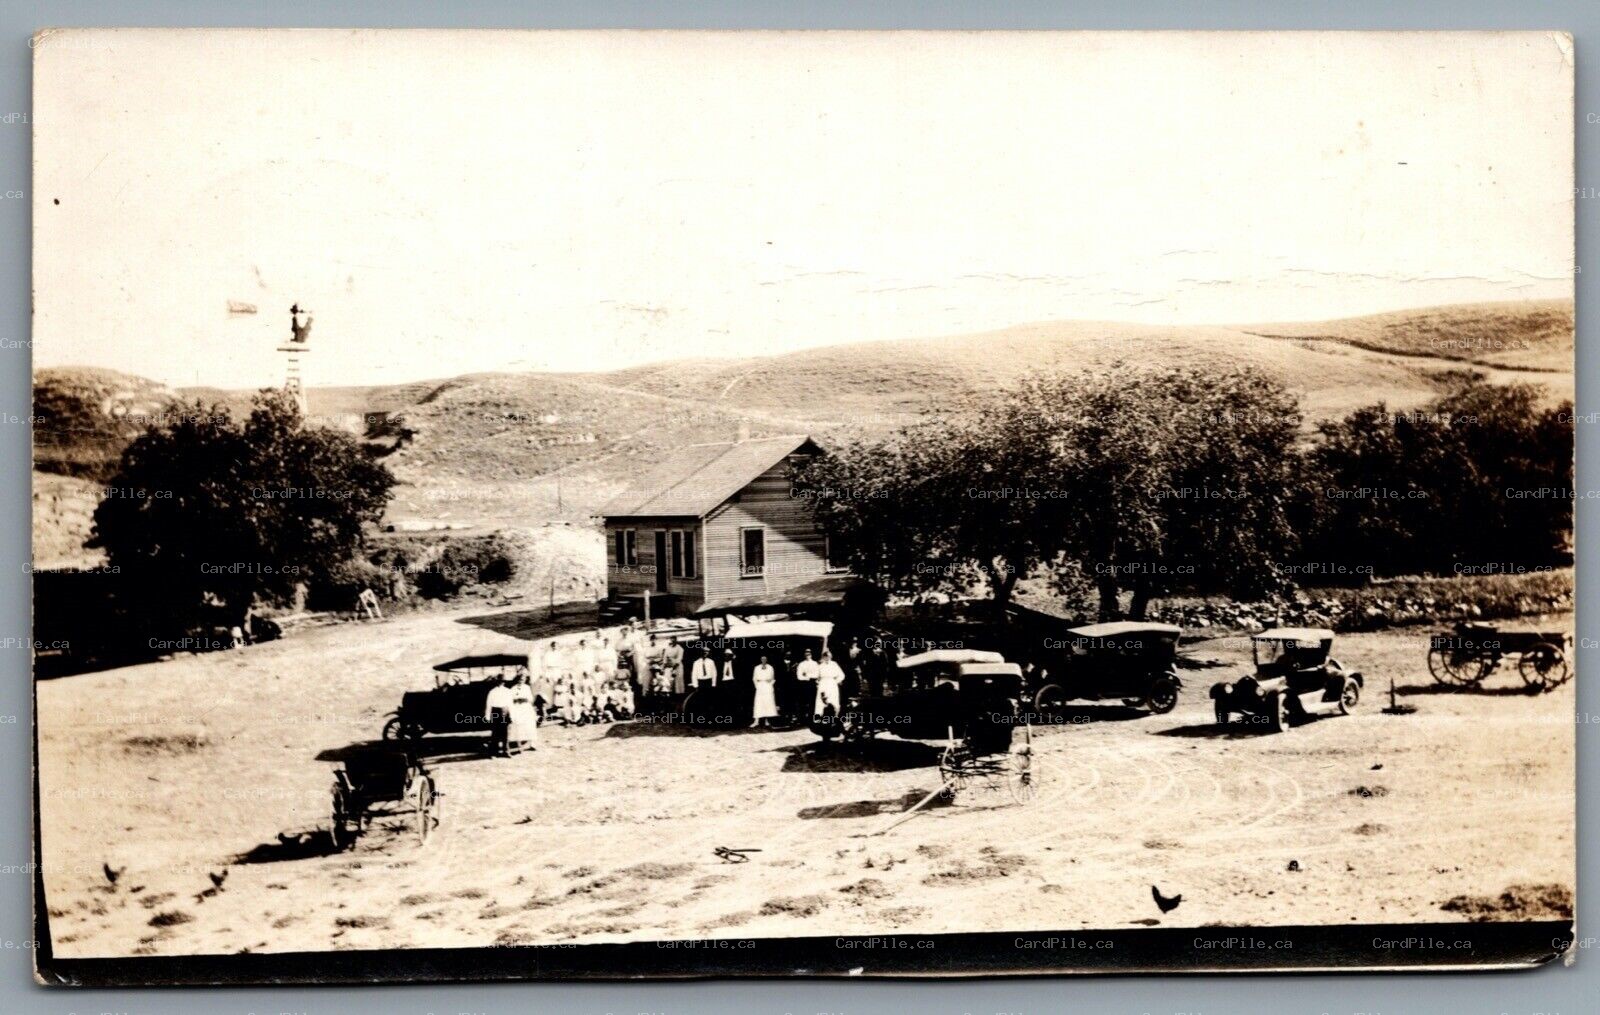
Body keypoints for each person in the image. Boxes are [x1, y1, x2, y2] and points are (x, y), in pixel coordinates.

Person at [506, 675, 539, 753]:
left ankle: (532, 744)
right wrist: (516, 700)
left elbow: (531, 698)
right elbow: (510, 700)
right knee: (518, 726)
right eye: (520, 679)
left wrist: (525, 699)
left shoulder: (527, 687)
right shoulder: (513, 688)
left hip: (526, 708)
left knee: (530, 725)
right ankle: (519, 745)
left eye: (523, 680)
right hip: (517, 708)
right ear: (517, 680)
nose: (521, 681)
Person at [484, 676, 515, 756]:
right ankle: (494, 752)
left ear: (504, 682)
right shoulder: (492, 692)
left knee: (505, 732)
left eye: (502, 681)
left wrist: (512, 715)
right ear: (496, 682)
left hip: (505, 712)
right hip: (495, 712)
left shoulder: (508, 691)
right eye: (499, 681)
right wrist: (487, 716)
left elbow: (510, 704)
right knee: (495, 732)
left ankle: (506, 751)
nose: (500, 683)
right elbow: (489, 705)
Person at [814, 650, 846, 718]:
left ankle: (834, 716)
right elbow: (816, 676)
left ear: (830, 656)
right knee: (821, 700)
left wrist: (835, 681)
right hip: (823, 684)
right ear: (823, 657)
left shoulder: (834, 664)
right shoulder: (820, 666)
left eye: (828, 656)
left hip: (832, 684)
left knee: (833, 699)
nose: (826, 658)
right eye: (825, 656)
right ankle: (820, 716)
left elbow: (842, 675)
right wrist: (818, 682)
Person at [750, 655, 778, 728]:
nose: (763, 660)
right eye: (762, 659)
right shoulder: (756, 668)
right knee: (758, 703)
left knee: (767, 703)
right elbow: (754, 678)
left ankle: (767, 721)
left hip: (768, 687)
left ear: (767, 660)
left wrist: (770, 685)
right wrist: (757, 686)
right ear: (760, 660)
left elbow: (773, 678)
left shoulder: (770, 667)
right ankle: (756, 721)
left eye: (765, 659)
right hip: (760, 687)